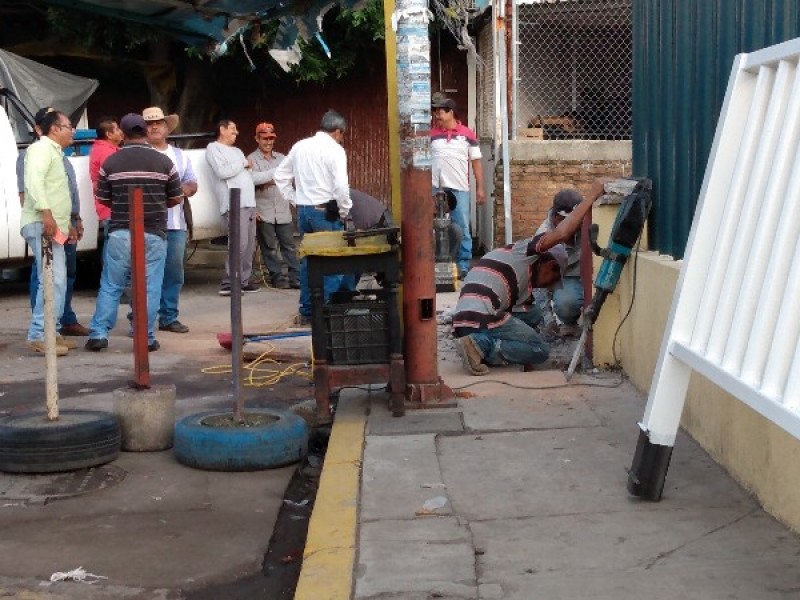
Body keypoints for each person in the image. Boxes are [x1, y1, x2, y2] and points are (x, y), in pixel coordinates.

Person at [452, 178, 607, 375]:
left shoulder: (515, 263)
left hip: (465, 320)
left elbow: (534, 307)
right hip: (479, 318)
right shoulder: (529, 249)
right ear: (549, 265)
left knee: (533, 313)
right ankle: (481, 346)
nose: (552, 285)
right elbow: (561, 233)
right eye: (554, 278)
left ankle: (484, 343)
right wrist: (592, 195)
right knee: (539, 350)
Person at [85, 113, 183, 352]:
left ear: (124, 134)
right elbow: (176, 197)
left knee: (111, 284)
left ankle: (99, 334)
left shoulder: (111, 162)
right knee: (150, 287)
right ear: (145, 132)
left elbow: (103, 199)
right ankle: (145, 337)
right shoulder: (164, 162)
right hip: (154, 232)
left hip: (120, 232)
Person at [274, 109, 352, 326]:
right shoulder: (335, 150)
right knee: (333, 263)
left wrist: (295, 198)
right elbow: (341, 187)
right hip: (325, 212)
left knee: (309, 262)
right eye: (342, 135)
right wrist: (344, 211)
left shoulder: (300, 146)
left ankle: (307, 312)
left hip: (305, 211)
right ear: (337, 132)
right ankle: (325, 313)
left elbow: (280, 175)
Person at [17, 107, 89, 339]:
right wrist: (46, 214)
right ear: (55, 129)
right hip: (41, 223)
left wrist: (67, 223)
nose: (73, 131)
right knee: (51, 279)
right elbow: (34, 183)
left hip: (52, 223)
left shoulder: (56, 152)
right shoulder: (40, 149)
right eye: (69, 126)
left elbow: (59, 193)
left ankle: (51, 332)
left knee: (56, 279)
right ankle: (41, 333)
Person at [142, 106, 198, 333]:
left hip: (175, 224)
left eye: (159, 123)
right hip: (146, 224)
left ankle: (168, 317)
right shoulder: (139, 153)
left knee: (174, 274)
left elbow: (193, 182)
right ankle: (141, 319)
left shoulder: (180, 155)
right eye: (149, 123)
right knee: (145, 275)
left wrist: (180, 190)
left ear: (166, 127)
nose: (154, 126)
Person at [430, 93, 484, 279]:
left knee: (462, 227)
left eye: (440, 112)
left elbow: (476, 162)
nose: (437, 116)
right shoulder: (432, 135)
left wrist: (480, 188)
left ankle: (462, 265)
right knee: (433, 227)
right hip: (436, 189)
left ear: (450, 113)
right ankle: (437, 263)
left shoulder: (467, 134)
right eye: (435, 112)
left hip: (459, 189)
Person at [206, 119, 260, 296]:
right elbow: (223, 172)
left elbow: (249, 177)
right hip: (233, 203)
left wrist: (276, 172)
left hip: (248, 202)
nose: (236, 133)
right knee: (238, 243)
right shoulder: (213, 148)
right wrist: (243, 163)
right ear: (222, 129)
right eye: (232, 129)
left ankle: (242, 280)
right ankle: (229, 283)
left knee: (249, 244)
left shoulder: (237, 151)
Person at [248, 122, 300, 290]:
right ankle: (277, 278)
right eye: (265, 138)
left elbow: (289, 178)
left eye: (271, 138)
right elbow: (252, 181)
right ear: (257, 139)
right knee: (269, 248)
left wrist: (266, 180)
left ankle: (295, 277)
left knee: (290, 246)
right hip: (263, 211)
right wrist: (274, 178)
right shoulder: (251, 159)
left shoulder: (283, 158)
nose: (268, 142)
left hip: (283, 210)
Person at [534, 189, 585, 336]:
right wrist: (548, 321)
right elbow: (539, 286)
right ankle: (569, 322)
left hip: (591, 271)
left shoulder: (588, 224)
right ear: (556, 217)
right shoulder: (544, 238)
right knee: (566, 303)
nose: (574, 226)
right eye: (568, 221)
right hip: (566, 276)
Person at [88, 115, 123, 240]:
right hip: (113, 208)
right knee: (114, 250)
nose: (121, 132)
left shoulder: (103, 149)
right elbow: (115, 177)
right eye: (117, 129)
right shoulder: (106, 151)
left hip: (109, 208)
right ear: (109, 134)